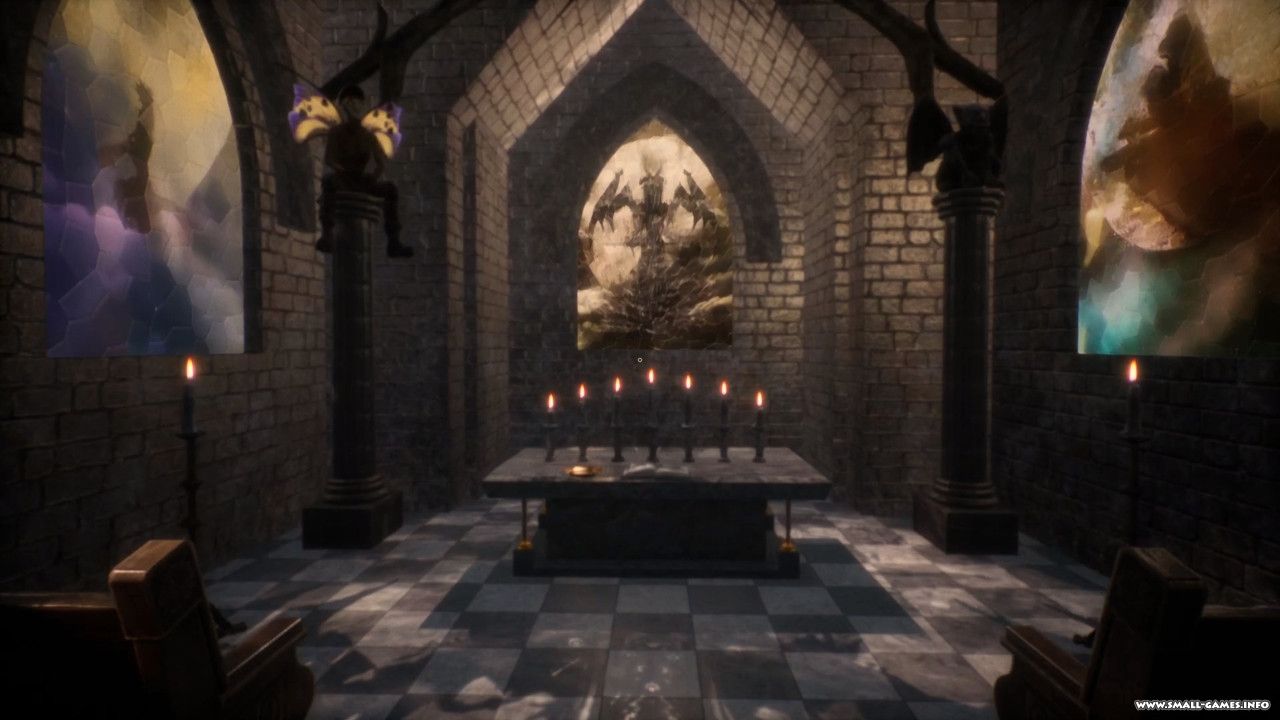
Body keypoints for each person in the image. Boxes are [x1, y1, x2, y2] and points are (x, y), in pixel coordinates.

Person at [316, 85, 413, 257]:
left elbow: (380, 163)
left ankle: (393, 241)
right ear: (343, 106)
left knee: (390, 189)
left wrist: (373, 178)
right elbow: (329, 159)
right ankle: (327, 235)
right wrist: (342, 170)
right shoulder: (336, 132)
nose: (353, 107)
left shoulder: (368, 135)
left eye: (357, 103)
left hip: (361, 180)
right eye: (349, 103)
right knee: (328, 181)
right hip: (343, 178)